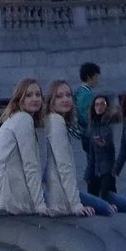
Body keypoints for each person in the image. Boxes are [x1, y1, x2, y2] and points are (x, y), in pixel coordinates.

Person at [0, 78, 49, 215]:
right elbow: (30, 165)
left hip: (3, 191)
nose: (35, 99)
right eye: (28, 95)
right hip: (12, 194)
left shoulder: (14, 118)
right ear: (19, 99)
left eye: (38, 95)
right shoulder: (24, 120)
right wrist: (40, 205)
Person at [41, 85, 100, 216]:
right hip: (62, 197)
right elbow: (64, 165)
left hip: (58, 192)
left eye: (68, 95)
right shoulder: (56, 123)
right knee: (112, 208)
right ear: (52, 101)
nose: (65, 99)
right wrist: (76, 205)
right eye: (59, 96)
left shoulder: (55, 120)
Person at [81, 93, 122, 206]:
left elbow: (110, 146)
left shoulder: (109, 124)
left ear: (106, 106)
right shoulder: (91, 127)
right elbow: (90, 152)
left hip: (107, 170)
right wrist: (88, 173)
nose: (99, 107)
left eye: (102, 104)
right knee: (93, 200)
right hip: (95, 169)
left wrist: (104, 144)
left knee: (107, 198)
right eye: (97, 104)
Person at [74, 62, 102, 129]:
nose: (97, 80)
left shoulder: (79, 91)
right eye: (96, 77)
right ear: (89, 77)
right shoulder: (88, 95)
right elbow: (88, 117)